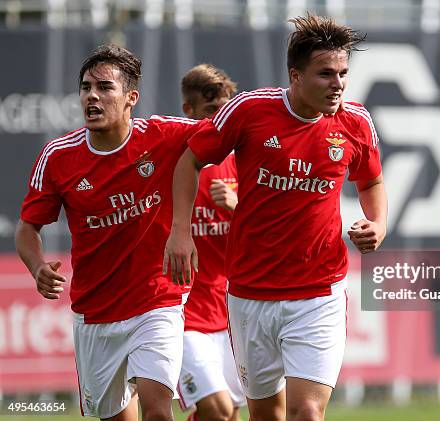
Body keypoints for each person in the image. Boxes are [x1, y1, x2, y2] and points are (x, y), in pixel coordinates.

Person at [164, 14, 387, 421]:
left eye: (342, 73)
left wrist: (378, 224)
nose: (337, 83)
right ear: (296, 76)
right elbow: (189, 159)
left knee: (306, 413)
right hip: (251, 293)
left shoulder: (355, 122)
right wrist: (182, 232)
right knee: (265, 414)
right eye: (325, 74)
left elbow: (371, 181)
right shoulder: (249, 111)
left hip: (319, 292)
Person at [15, 44, 206, 421]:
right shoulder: (58, 156)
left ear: (131, 97)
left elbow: (226, 134)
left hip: (158, 301)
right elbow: (27, 228)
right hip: (96, 313)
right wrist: (37, 267)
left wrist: (184, 227)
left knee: (157, 412)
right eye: (86, 87)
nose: (92, 96)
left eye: (105, 87)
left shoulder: (164, 135)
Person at [177, 64, 246, 421]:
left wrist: (237, 209)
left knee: (228, 414)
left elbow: (265, 238)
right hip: (183, 314)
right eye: (211, 112)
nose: (221, 120)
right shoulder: (175, 164)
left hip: (232, 314)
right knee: (218, 409)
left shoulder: (242, 164)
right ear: (188, 111)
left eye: (226, 109)